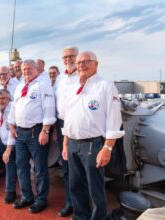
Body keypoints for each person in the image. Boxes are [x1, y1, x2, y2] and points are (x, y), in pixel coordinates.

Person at [61, 51, 124, 220]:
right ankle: (81, 216)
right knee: (75, 186)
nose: (81, 65)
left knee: (95, 188)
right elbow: (68, 118)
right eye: (79, 62)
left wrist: (107, 148)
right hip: (73, 143)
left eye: (86, 61)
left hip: (92, 145)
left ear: (96, 64)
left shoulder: (105, 85)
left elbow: (114, 120)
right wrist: (65, 144)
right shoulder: (73, 87)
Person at [8, 59, 56, 213]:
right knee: (21, 165)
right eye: (24, 69)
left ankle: (41, 199)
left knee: (39, 168)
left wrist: (46, 130)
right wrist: (12, 125)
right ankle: (27, 196)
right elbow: (14, 108)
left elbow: (49, 108)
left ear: (36, 69)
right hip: (20, 132)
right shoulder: (20, 86)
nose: (26, 71)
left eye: (29, 68)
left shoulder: (43, 84)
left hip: (37, 131)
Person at [53, 46, 80, 217]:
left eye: (71, 56)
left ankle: (81, 205)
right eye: (65, 57)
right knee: (67, 167)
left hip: (78, 124)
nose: (68, 60)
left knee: (80, 167)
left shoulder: (82, 76)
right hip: (61, 123)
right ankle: (70, 203)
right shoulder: (60, 79)